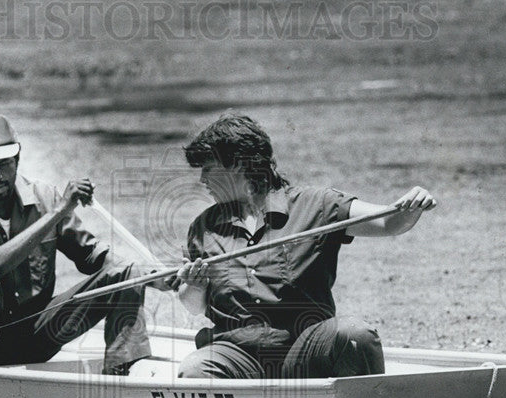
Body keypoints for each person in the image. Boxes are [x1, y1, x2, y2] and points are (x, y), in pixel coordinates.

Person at [175, 112, 436, 380]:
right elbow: (193, 305)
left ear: (239, 165)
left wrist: (412, 205)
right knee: (194, 370)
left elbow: (387, 222)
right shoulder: (203, 227)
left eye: (209, 168)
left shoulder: (317, 205)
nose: (202, 179)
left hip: (305, 352)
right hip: (236, 356)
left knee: (355, 334)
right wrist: (194, 285)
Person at [0, 114, 152, 374]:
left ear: (17, 159)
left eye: (3, 165)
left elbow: (92, 256)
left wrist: (152, 275)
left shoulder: (45, 196)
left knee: (126, 272)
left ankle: (119, 376)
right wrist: (57, 213)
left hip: (34, 333)